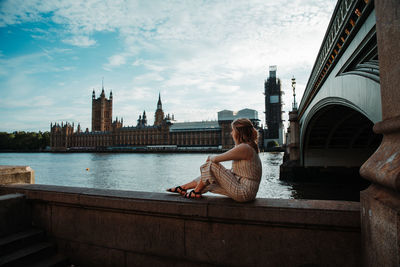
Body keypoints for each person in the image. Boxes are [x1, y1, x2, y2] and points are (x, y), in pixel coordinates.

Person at [167, 118, 262, 202]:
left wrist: (210, 158)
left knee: (212, 164)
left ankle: (196, 192)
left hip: (244, 192)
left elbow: (216, 159)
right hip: (243, 190)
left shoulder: (244, 148)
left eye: (232, 130)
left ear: (238, 132)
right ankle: (183, 188)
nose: (231, 133)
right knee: (209, 181)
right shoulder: (248, 147)